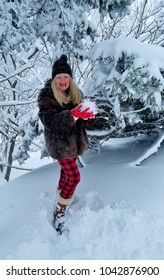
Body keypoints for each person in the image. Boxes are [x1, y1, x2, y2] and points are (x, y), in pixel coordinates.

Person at [37, 54, 96, 233]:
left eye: (66, 77)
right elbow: (51, 122)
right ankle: (60, 211)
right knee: (75, 177)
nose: (63, 80)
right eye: (59, 77)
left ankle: (61, 195)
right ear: (54, 78)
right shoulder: (47, 95)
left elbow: (84, 122)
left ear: (70, 78)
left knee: (66, 173)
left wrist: (90, 115)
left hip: (74, 143)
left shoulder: (75, 93)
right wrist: (74, 114)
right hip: (60, 145)